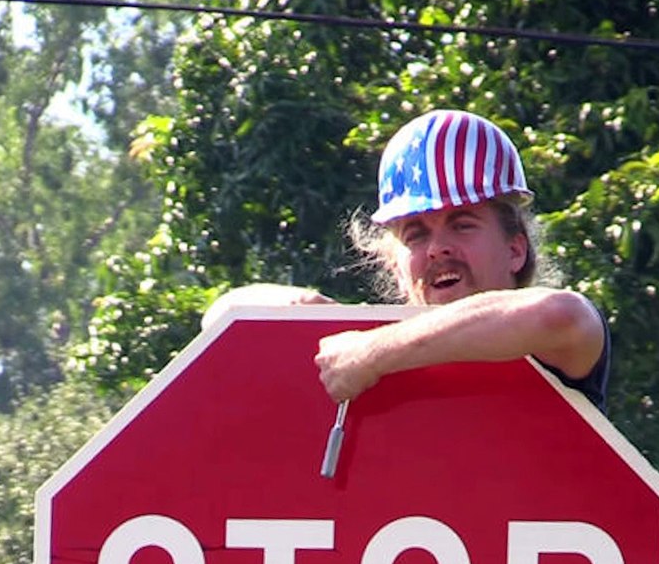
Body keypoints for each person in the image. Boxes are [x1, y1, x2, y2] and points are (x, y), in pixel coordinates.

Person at [203, 109, 610, 411]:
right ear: (395, 267)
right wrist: (313, 314)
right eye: (416, 234)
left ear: (515, 249)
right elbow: (221, 316)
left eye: (462, 224)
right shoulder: (360, 354)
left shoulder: (558, 348)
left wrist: (374, 352)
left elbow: (560, 314)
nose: (437, 249)